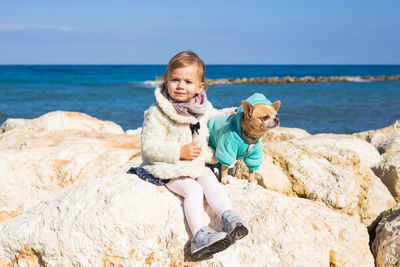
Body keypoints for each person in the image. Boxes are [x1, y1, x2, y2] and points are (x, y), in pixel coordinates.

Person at [128, 51, 248, 260]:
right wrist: (178, 151)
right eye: (175, 80)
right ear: (166, 81)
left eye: (187, 81)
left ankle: (229, 217)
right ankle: (199, 236)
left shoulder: (202, 107)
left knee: (210, 180)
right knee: (193, 190)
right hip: (167, 167)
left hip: (194, 164)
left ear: (200, 87)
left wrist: (231, 113)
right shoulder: (156, 113)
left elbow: (215, 117)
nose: (180, 86)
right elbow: (148, 147)